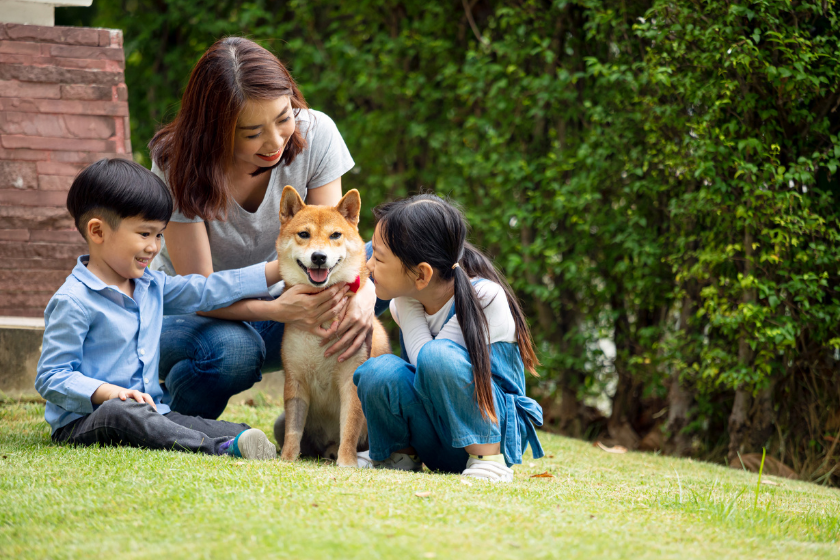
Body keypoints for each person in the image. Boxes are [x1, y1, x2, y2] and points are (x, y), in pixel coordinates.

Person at [147, 37, 379, 419]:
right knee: (235, 351)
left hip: (291, 302)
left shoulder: (317, 133)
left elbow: (338, 236)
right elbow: (199, 292)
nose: (274, 142)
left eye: (284, 117)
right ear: (213, 131)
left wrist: (365, 291)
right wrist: (279, 312)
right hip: (196, 314)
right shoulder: (177, 162)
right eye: (251, 132)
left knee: (392, 256)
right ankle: (171, 413)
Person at [35, 158, 316, 459]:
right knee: (122, 413)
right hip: (88, 419)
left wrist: (280, 268)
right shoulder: (74, 300)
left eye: (159, 235)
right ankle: (218, 449)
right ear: (98, 232)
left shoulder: (151, 285)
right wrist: (108, 392)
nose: (154, 247)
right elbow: (51, 376)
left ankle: (239, 439)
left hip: (155, 411)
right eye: (144, 234)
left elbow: (208, 290)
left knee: (233, 429)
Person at [354, 194, 545, 482]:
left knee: (437, 356)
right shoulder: (403, 300)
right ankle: (401, 456)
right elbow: (421, 379)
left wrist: (408, 305)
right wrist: (406, 303)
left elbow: (429, 362)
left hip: (492, 431)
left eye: (378, 258)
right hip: (438, 437)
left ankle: (488, 461)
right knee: (376, 370)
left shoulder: (485, 297)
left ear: (422, 274)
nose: (368, 265)